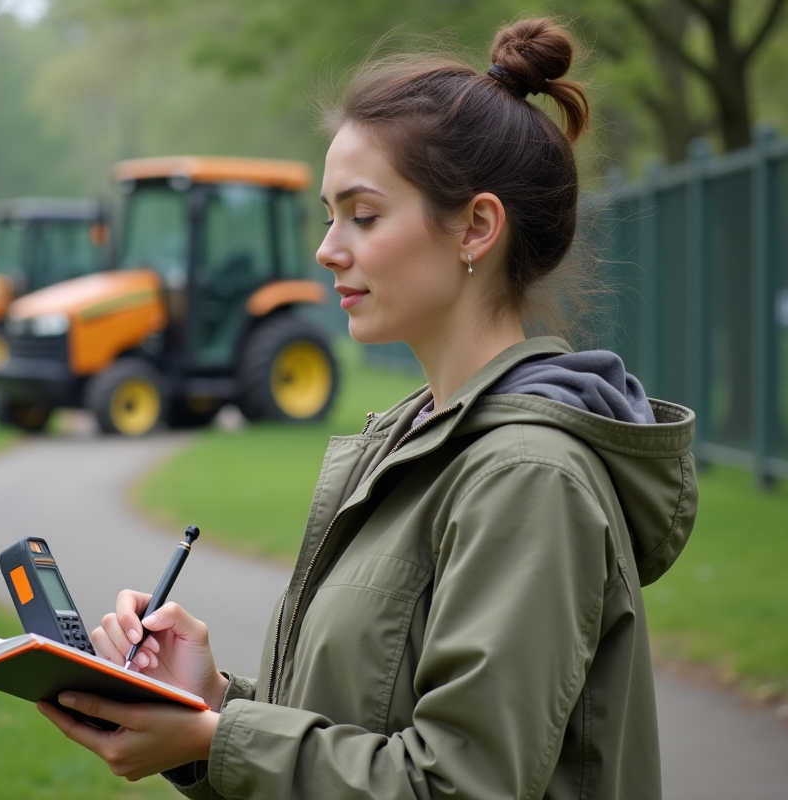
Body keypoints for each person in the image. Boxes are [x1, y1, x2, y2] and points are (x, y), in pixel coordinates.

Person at [37, 17, 698, 800]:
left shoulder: (528, 478)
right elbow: (362, 729)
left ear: (476, 228)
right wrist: (210, 704)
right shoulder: (416, 443)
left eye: (364, 214)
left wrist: (219, 741)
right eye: (328, 214)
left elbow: (460, 783)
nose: (327, 248)